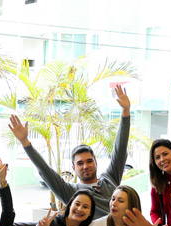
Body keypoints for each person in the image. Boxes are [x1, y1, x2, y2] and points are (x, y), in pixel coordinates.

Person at [8, 84, 132, 216]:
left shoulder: (109, 179)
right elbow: (45, 171)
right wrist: (25, 142)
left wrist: (125, 111)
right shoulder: (70, 192)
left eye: (89, 161)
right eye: (80, 163)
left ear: (96, 162)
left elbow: (120, 149)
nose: (85, 166)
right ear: (73, 168)